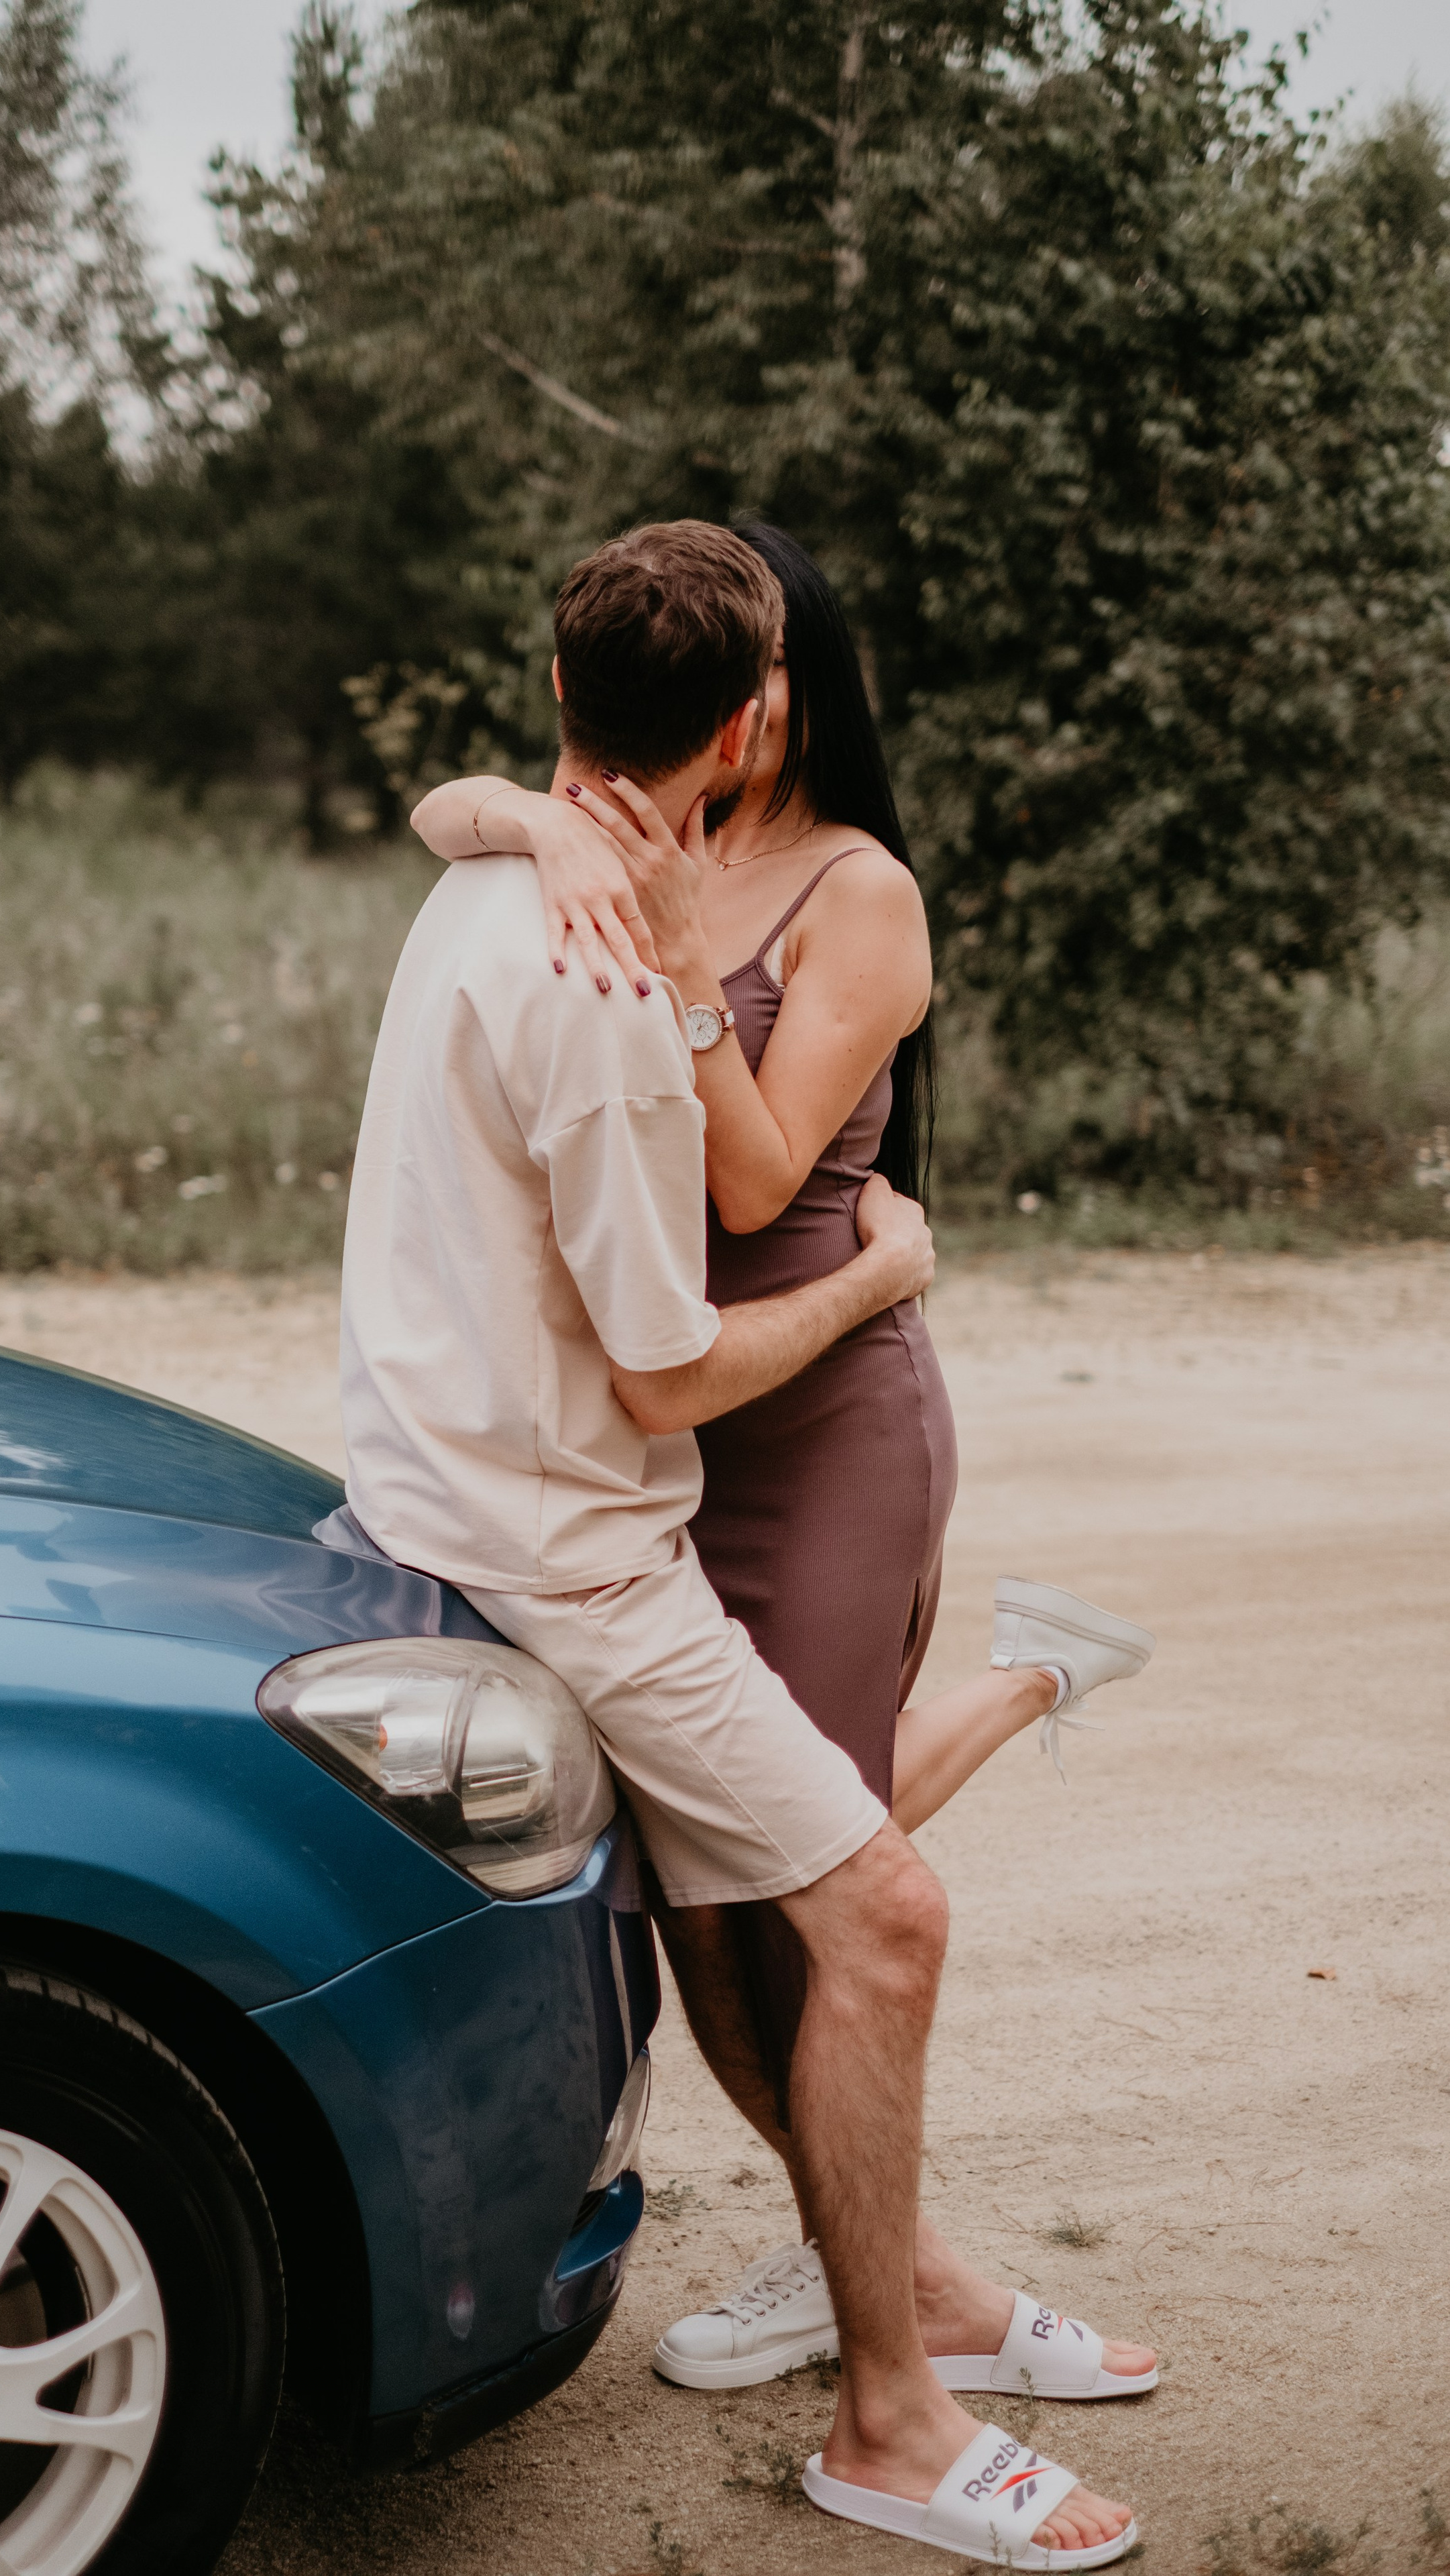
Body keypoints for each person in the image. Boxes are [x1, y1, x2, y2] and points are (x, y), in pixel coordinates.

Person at [340, 517, 1140, 2566]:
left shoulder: (646, 913)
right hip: (638, 1466)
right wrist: (545, 827)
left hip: (753, 1446)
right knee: (762, 1910)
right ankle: (897, 2328)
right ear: (741, 715)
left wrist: (642, 926)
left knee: (841, 1896)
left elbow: (752, 1192)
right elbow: (668, 1363)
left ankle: (895, 2358)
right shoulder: (556, 911)